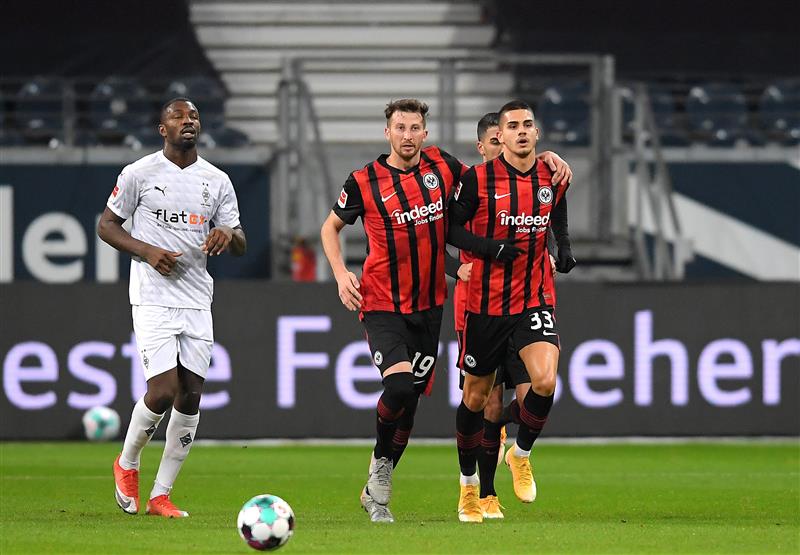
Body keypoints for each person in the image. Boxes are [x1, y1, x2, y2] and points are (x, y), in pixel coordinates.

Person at [320, 99, 571, 524]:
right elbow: (330, 227)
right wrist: (342, 273)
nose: (407, 135)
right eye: (400, 128)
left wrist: (544, 159)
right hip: (383, 302)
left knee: (411, 401)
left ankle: (382, 483)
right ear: (388, 133)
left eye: (415, 128)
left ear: (425, 133)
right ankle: (384, 473)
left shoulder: (442, 167)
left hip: (430, 304)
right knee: (400, 388)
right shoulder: (364, 181)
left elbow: (485, 174)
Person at [98, 98, 246, 518]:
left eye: (194, 115)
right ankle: (126, 463)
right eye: (178, 116)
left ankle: (161, 495)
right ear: (162, 129)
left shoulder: (216, 180)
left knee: (192, 395)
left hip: (198, 298)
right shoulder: (139, 174)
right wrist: (146, 251)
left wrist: (225, 233)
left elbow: (239, 241)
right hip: (153, 296)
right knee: (162, 391)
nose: (188, 121)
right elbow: (106, 226)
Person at [448, 100, 576, 523]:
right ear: (498, 136)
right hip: (485, 305)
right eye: (513, 126)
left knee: (545, 380)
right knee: (476, 399)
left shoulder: (551, 175)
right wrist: (489, 249)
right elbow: (450, 227)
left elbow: (555, 207)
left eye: (528, 125)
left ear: (536, 134)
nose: (521, 131)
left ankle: (519, 453)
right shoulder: (478, 180)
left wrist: (564, 249)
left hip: (534, 299)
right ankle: (470, 489)